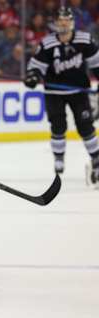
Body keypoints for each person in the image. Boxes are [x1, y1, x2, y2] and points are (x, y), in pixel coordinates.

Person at [24, 6, 99, 186]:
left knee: (85, 127)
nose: (63, 24)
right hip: (54, 92)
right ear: (55, 24)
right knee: (58, 126)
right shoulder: (48, 44)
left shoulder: (85, 40)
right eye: (60, 21)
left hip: (79, 92)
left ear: (72, 23)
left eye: (66, 21)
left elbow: (97, 65)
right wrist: (33, 76)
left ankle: (96, 159)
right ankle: (59, 158)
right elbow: (36, 67)